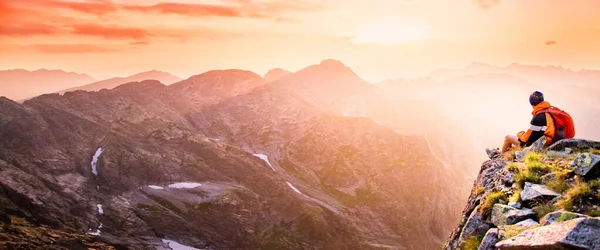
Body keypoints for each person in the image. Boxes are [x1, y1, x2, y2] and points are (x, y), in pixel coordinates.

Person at [487, 91, 575, 158]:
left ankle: (501, 158)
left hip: (545, 143)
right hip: (554, 141)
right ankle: (507, 152)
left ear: (531, 102)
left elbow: (527, 140)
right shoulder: (550, 110)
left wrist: (520, 135)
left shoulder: (539, 116)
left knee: (508, 138)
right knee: (514, 147)